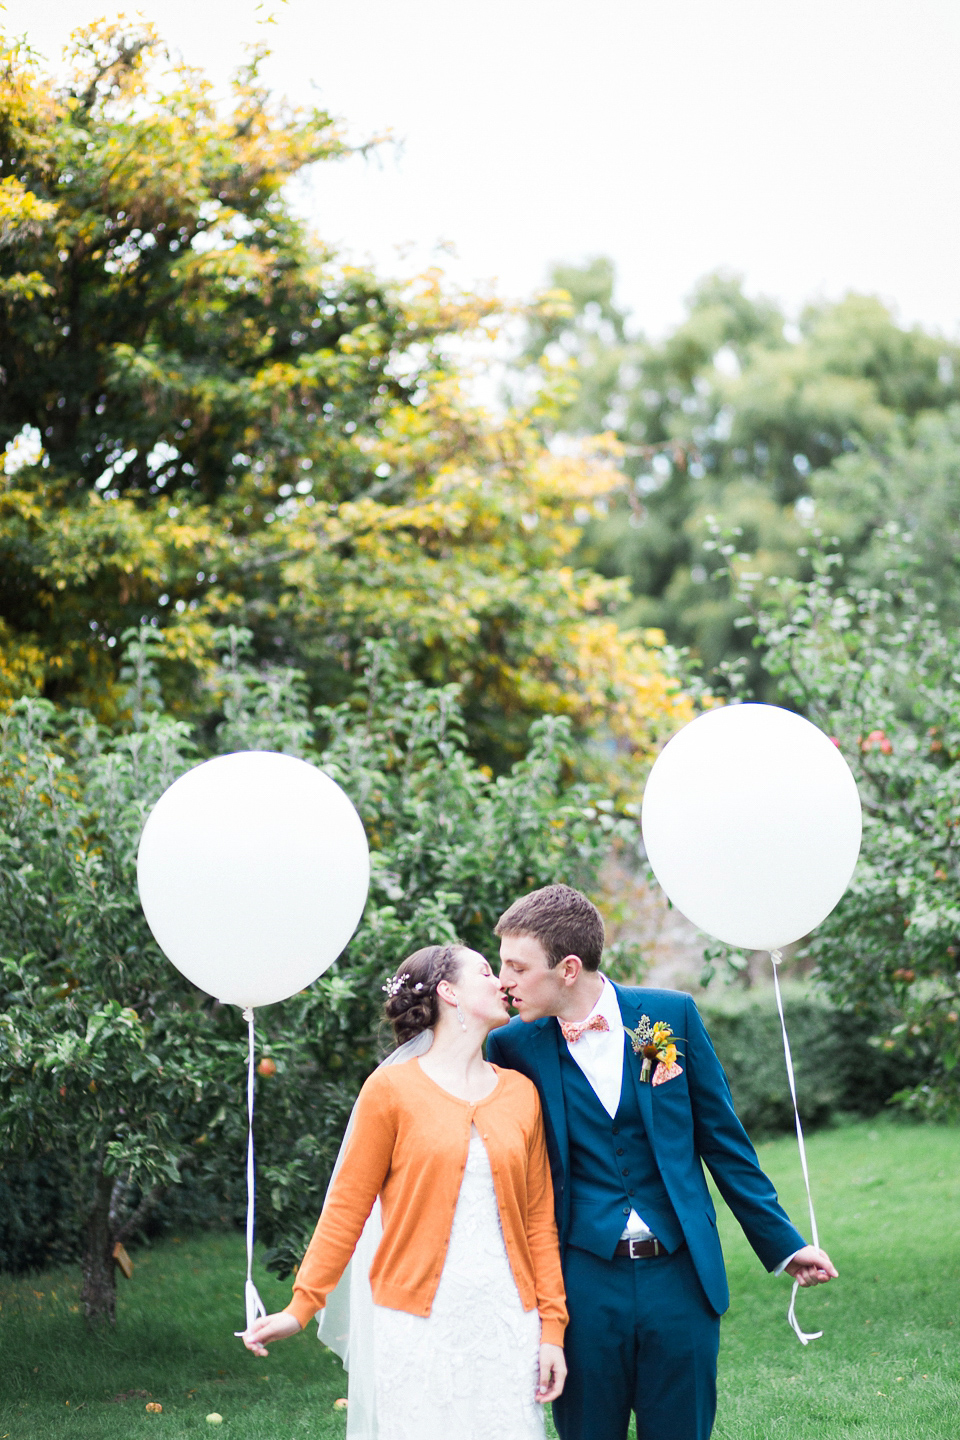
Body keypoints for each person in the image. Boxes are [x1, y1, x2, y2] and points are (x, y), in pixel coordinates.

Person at [486, 884, 838, 1440]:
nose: (502, 981)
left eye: (515, 966)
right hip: (582, 1281)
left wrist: (785, 1243)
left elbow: (725, 1142)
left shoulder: (667, 1018)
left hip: (680, 1275)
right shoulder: (512, 1047)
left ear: (569, 968)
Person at [241, 942, 568, 1440]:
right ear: (448, 992)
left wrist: (552, 1331)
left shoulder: (521, 1094)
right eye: (486, 971)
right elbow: (347, 1207)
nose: (501, 980)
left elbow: (539, 1221)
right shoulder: (390, 1091)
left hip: (505, 1319)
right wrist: (300, 1307)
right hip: (416, 1321)